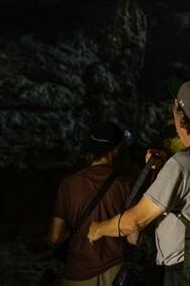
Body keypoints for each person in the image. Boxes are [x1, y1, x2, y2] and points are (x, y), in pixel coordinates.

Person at [87, 78, 190, 286]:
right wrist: (163, 170)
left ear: (180, 116)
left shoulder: (182, 164)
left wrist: (98, 228)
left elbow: (133, 222)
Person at [48, 121, 132, 285]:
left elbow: (54, 237)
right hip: (114, 272)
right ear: (115, 151)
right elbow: (133, 237)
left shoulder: (68, 185)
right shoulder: (125, 185)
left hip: (77, 272)